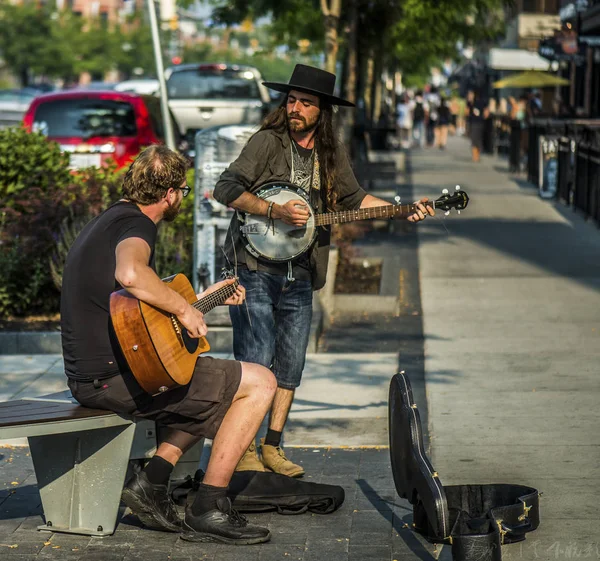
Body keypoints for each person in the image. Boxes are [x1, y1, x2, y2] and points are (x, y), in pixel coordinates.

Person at [212, 64, 434, 478]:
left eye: (305, 103)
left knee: (291, 364)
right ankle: (241, 449)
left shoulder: (330, 155)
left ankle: (272, 446)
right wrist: (272, 210)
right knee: (255, 359)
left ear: (322, 112)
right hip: (255, 267)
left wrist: (403, 210)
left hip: (301, 270)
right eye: (292, 100)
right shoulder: (266, 143)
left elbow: (356, 198)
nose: (295, 108)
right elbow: (225, 188)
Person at [60, 145, 277, 545]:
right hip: (114, 381)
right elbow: (130, 273)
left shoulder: (109, 220)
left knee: (202, 375)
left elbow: (141, 323)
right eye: (183, 190)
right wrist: (182, 307)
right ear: (170, 195)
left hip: (100, 375)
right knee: (260, 382)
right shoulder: (136, 226)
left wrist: (202, 302)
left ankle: (153, 480)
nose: (181, 197)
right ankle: (208, 507)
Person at [466, 90, 489, 163]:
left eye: (470, 94)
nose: (469, 96)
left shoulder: (474, 103)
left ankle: (476, 156)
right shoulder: (471, 103)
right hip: (478, 122)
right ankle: (476, 156)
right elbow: (486, 113)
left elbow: (466, 113)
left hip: (475, 123)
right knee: (477, 140)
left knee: (475, 140)